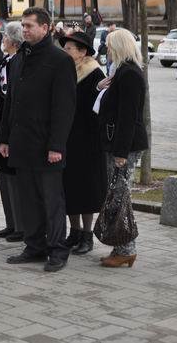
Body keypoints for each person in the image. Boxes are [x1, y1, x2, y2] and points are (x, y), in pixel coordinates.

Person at [0, 7, 77, 272]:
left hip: (47, 146)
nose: (25, 30)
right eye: (23, 25)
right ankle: (34, 246)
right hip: (21, 143)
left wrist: (57, 145)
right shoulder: (20, 58)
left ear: (45, 27)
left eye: (29, 25)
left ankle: (57, 249)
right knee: (28, 200)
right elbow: (11, 102)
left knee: (51, 201)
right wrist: (5, 138)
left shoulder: (60, 60)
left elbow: (64, 107)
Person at [97, 29, 148, 267]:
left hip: (124, 146)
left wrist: (121, 153)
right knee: (117, 195)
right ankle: (122, 246)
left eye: (109, 45)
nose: (107, 50)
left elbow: (128, 117)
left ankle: (126, 248)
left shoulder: (129, 74)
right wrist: (100, 88)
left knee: (119, 195)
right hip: (118, 143)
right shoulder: (122, 71)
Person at [59, 31, 107, 255]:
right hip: (68, 139)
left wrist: (95, 91)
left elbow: (95, 108)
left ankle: (87, 235)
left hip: (87, 142)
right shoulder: (67, 70)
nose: (65, 51)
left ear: (82, 52)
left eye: (69, 48)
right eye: (65, 47)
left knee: (86, 190)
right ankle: (74, 231)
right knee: (69, 188)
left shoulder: (95, 74)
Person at [0, 22, 24, 243]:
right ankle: (11, 222)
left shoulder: (19, 61)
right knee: (4, 176)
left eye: (5, 36)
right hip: (0, 125)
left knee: (14, 179)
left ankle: (21, 225)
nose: (2, 39)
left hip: (13, 126)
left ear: (14, 40)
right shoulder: (4, 60)